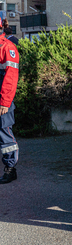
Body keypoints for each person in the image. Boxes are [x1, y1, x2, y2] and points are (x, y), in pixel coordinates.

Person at [0, 17, 20, 184]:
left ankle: (10, 169)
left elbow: (11, 77)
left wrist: (5, 102)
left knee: (4, 132)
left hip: (2, 100)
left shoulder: (7, 47)